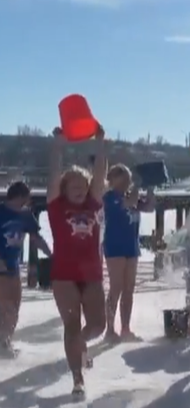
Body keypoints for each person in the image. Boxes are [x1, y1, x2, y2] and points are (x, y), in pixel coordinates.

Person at [46, 125, 107, 399]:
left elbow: (100, 174)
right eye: (74, 186)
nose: (80, 189)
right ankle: (77, 379)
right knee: (71, 326)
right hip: (64, 274)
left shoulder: (93, 204)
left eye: (83, 185)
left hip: (92, 273)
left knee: (98, 325)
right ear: (65, 189)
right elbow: (53, 177)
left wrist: (100, 143)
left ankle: (79, 345)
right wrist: (58, 147)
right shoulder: (57, 207)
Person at [0, 181, 52, 357]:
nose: (29, 201)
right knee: (6, 306)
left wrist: (51, 254)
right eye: (27, 197)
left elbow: (35, 237)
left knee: (13, 308)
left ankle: (4, 343)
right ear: (20, 196)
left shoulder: (26, 214)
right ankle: (3, 343)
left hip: (12, 266)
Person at [103, 164, 155, 342]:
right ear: (112, 179)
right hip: (114, 247)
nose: (127, 181)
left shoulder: (130, 196)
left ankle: (125, 328)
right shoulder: (110, 197)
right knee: (116, 288)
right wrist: (138, 187)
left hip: (131, 246)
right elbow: (129, 203)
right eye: (123, 177)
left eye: (128, 178)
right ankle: (110, 330)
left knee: (128, 289)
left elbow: (149, 207)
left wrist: (150, 187)